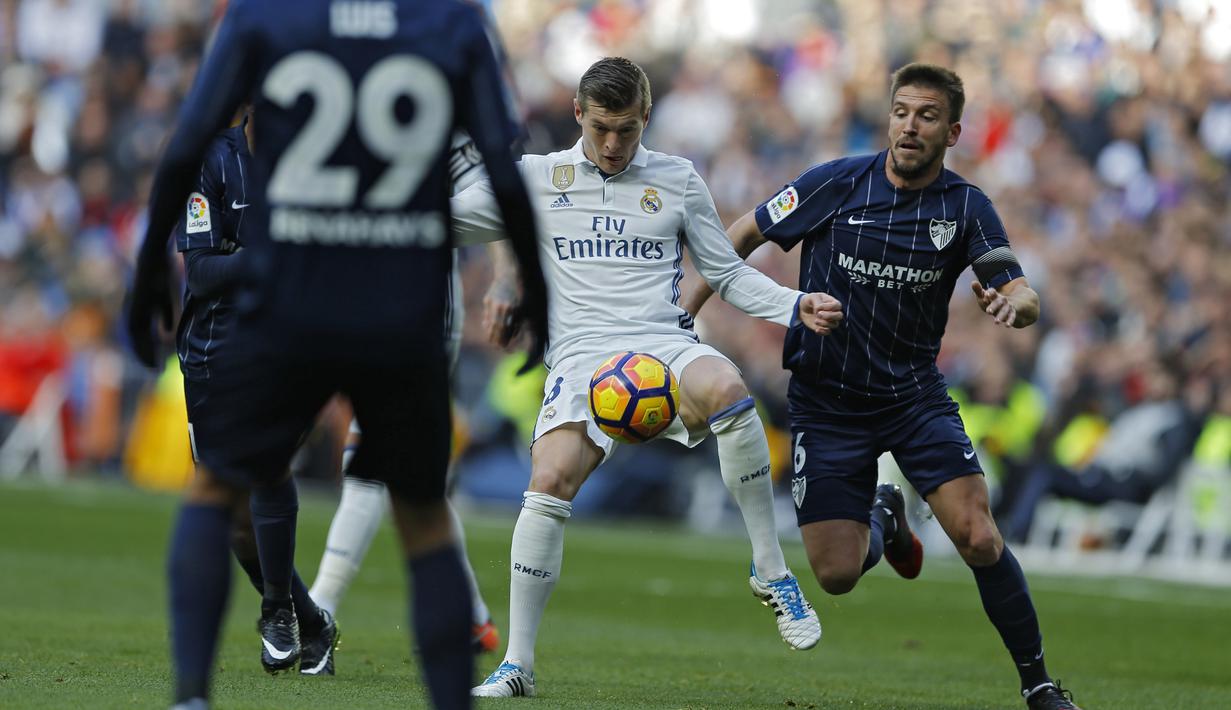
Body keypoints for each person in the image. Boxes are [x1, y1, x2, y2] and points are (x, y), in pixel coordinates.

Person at [126, 2, 547, 709]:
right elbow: (503, 168)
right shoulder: (449, 19)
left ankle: (192, 696)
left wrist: (145, 269)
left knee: (214, 489)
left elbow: (188, 137)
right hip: (396, 304)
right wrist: (530, 283)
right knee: (422, 514)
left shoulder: (268, 15)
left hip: (289, 297)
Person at [683, 63, 1081, 710]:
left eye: (926, 116)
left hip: (912, 400)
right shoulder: (836, 183)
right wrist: (684, 312)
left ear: (951, 131)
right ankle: (884, 515)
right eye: (900, 112)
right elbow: (743, 233)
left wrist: (1016, 306)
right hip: (826, 401)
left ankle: (1037, 684)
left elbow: (1018, 286)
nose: (909, 126)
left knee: (978, 536)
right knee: (836, 575)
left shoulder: (964, 206)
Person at [453, 56, 833, 699]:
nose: (611, 143)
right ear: (578, 114)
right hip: (579, 356)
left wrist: (793, 305)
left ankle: (770, 570)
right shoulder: (538, 179)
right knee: (548, 480)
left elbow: (728, 273)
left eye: (626, 130)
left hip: (662, 343)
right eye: (600, 127)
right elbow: (446, 220)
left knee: (730, 391)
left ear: (646, 119)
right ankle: (518, 662)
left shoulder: (678, 180)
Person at [308, 132, 505, 656]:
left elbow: (490, 192)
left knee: (374, 445)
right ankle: (471, 616)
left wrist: (416, 220)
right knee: (411, 471)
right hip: (347, 294)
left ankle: (320, 608)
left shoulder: (435, 107)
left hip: (417, 308)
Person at [173, 105, 339, 676]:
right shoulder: (213, 161)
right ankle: (311, 620)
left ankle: (276, 611)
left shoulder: (322, 161)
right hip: (213, 349)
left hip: (288, 345)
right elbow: (199, 272)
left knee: (268, 467)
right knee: (230, 514)